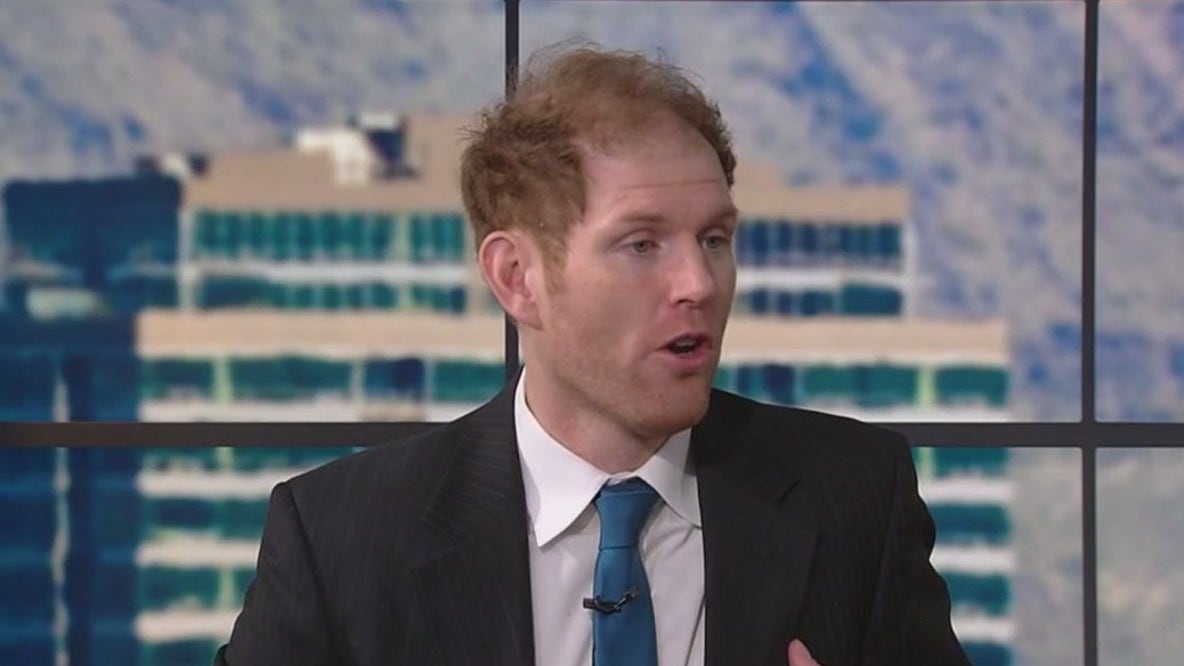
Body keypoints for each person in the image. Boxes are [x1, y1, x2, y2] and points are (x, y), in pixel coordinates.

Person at [216, 43, 970, 666]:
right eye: (642, 244)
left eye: (714, 238)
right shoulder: (344, 539)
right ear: (518, 277)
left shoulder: (854, 498)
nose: (699, 283)